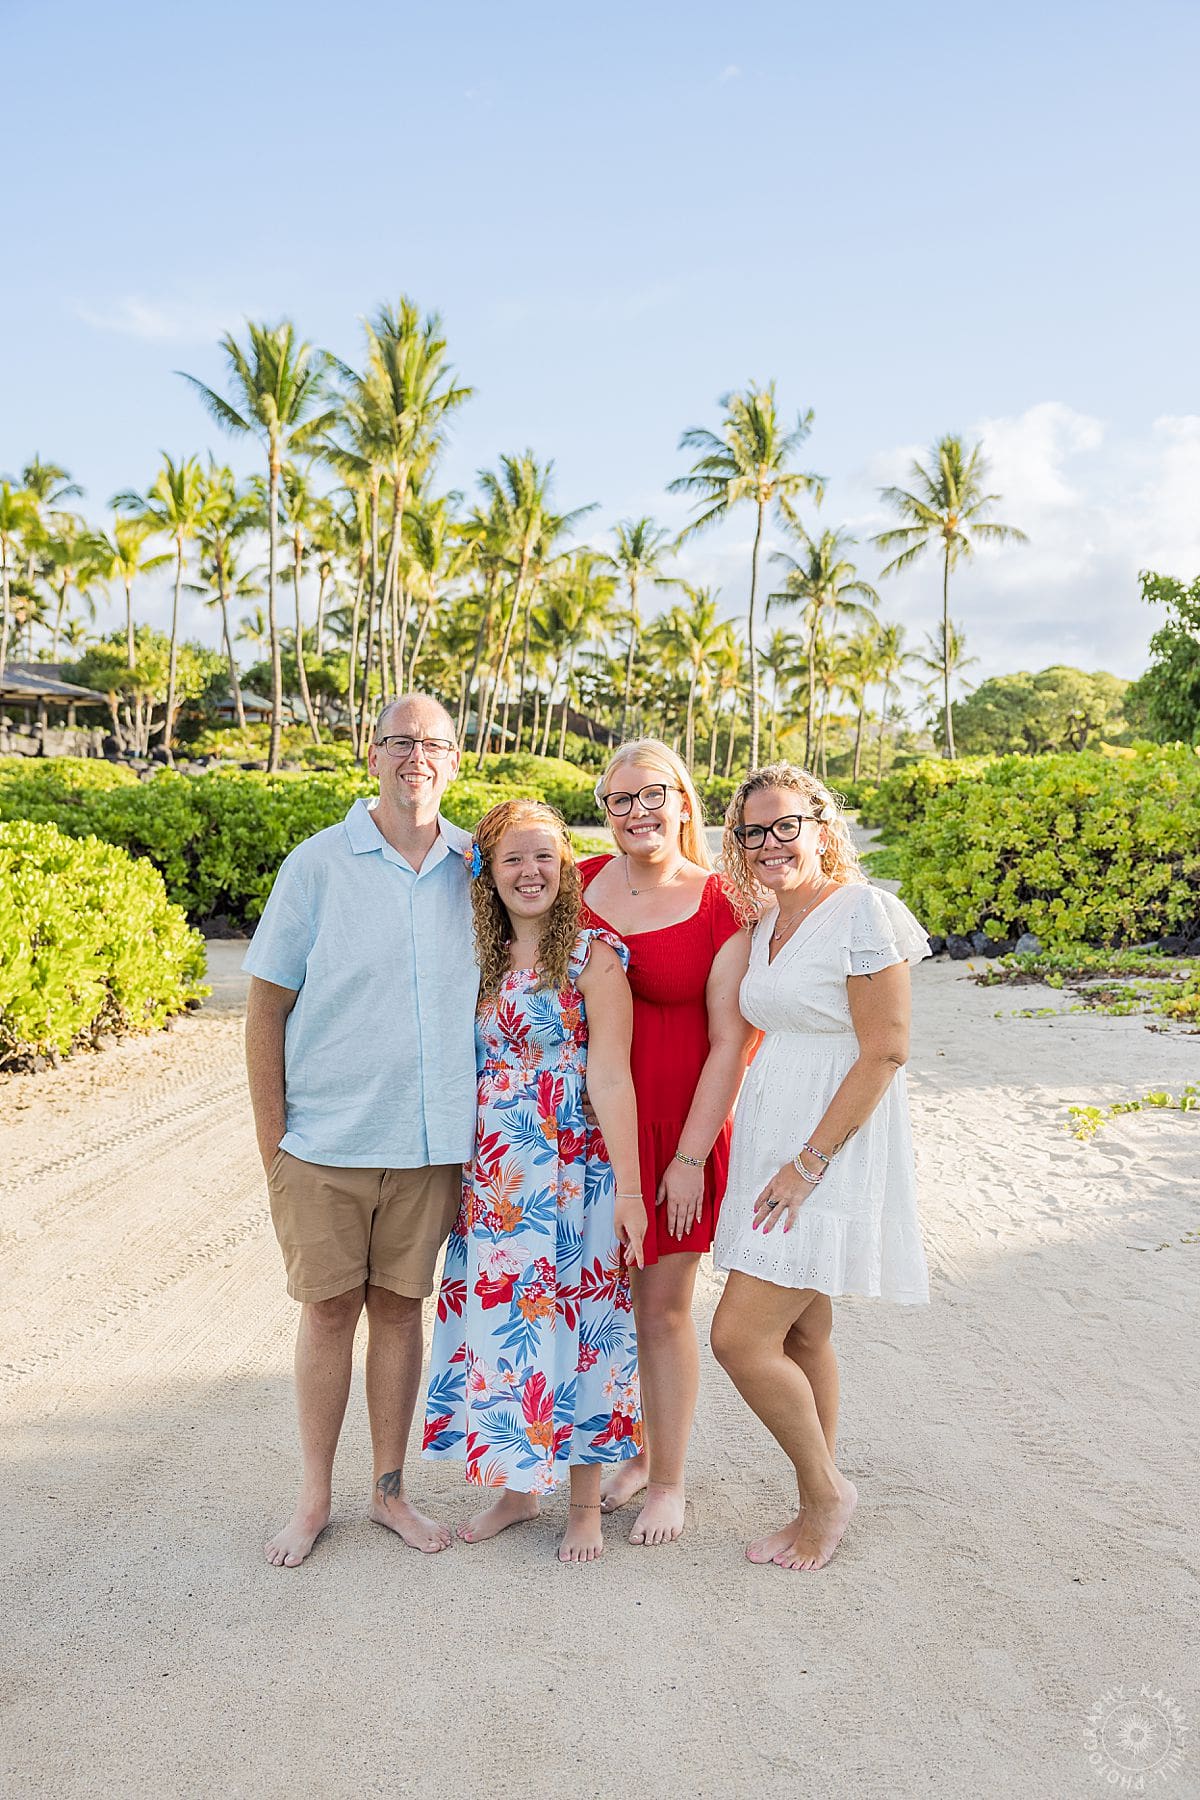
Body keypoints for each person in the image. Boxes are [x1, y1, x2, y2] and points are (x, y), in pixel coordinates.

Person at [243, 693, 478, 1568]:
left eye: (434, 744)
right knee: (329, 1311)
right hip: (324, 1144)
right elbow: (265, 1007)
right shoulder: (316, 865)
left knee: (399, 1310)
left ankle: (388, 1492)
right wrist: (275, 1147)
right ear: (371, 755)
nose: (416, 755)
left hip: (429, 1145)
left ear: (455, 761)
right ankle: (313, 1498)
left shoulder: (476, 866)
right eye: (400, 741)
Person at [710, 763, 931, 1572]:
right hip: (774, 1136)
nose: (770, 842)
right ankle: (816, 1497)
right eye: (753, 831)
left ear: (821, 826)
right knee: (804, 1330)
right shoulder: (767, 925)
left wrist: (809, 1163)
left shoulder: (863, 913)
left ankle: (828, 1493)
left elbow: (886, 1050)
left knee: (738, 1337)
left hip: (828, 1148)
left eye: (785, 824)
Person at [422, 799, 646, 1563]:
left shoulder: (592, 954)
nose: (531, 873)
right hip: (498, 1177)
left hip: (577, 1169)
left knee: (583, 1331)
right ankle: (517, 1488)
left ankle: (584, 1504)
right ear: (487, 872)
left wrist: (631, 1193)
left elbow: (612, 1078)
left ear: (566, 866)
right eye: (513, 858)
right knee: (507, 1334)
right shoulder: (473, 955)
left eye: (544, 857)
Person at [578, 740, 754, 1546]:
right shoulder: (578, 885)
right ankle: (634, 1450)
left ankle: (668, 1479)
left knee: (662, 1307)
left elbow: (732, 1042)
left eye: (653, 795)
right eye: (620, 801)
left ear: (683, 801)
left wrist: (689, 1157)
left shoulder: (721, 901)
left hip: (681, 1127)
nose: (638, 813)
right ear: (605, 813)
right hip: (587, 1130)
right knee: (601, 1300)